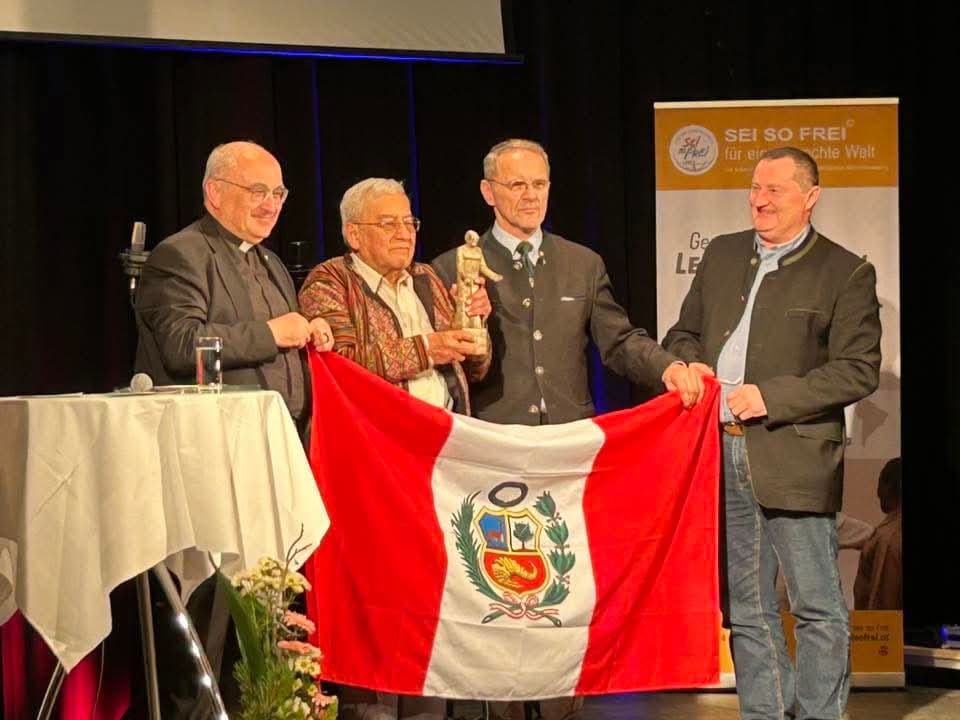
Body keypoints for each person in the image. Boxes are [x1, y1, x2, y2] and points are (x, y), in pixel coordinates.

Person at [432, 138, 702, 720]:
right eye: (516, 185)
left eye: (539, 184)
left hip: (564, 457)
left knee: (558, 591)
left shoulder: (582, 261)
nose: (530, 197)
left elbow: (619, 341)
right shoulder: (453, 268)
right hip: (491, 453)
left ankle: (560, 708)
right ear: (488, 193)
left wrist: (670, 370)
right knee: (497, 592)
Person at [662, 146, 882, 720]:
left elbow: (858, 368)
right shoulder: (723, 253)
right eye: (755, 188)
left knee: (816, 606)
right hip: (721, 450)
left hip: (796, 455)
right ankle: (766, 713)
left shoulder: (845, 271)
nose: (759, 200)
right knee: (747, 607)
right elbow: (683, 332)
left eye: (775, 190)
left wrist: (771, 396)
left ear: (810, 197)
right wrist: (687, 363)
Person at [133, 140, 334, 719]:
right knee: (209, 616)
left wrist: (306, 333)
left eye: (278, 193)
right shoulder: (181, 254)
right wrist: (276, 332)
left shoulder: (268, 260)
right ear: (214, 192)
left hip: (269, 462)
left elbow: (280, 341)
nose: (271, 204)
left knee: (266, 619)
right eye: (257, 191)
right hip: (208, 467)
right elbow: (179, 346)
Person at [298, 177, 491, 720]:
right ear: (353, 233)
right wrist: (428, 347)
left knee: (435, 605)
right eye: (389, 223)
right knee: (379, 610)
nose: (404, 233)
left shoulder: (429, 278)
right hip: (373, 468)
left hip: (441, 470)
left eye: (409, 222)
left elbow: (475, 364)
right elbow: (345, 363)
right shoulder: (328, 283)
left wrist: (476, 328)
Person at [854, 457, 902, 610]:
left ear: (888, 487)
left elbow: (883, 607)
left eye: (880, 483)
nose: (877, 493)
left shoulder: (889, 538)